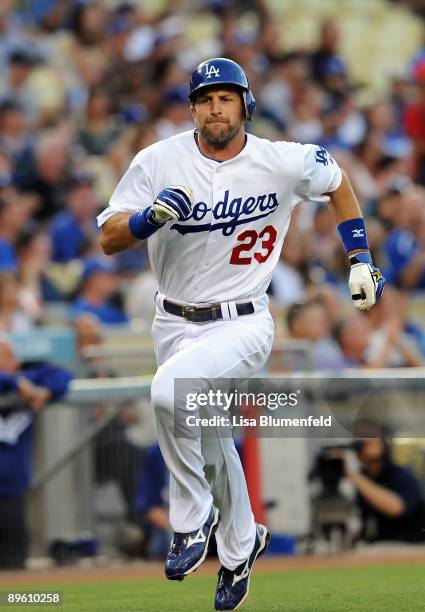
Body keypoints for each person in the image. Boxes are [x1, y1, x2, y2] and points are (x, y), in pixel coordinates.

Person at [98, 58, 385, 611]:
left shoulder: (278, 160)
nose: (215, 107)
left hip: (244, 320)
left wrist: (359, 257)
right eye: (205, 99)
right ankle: (240, 545)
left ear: (245, 104)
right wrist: (146, 220)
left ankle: (192, 517)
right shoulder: (158, 160)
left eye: (226, 97)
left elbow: (338, 181)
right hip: (173, 320)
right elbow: (109, 238)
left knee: (167, 392)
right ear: (192, 109)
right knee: (211, 436)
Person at [0, 337, 72, 569]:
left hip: (12, 489)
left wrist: (45, 392)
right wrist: (14, 384)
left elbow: (63, 375)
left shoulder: (27, 380)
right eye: (8, 355)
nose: (17, 360)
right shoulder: (18, 383)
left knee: (13, 561)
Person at [341, 425, 425, 543]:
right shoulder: (364, 478)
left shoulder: (401, 474)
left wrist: (355, 477)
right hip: (379, 546)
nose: (364, 444)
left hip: (409, 546)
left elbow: (397, 508)